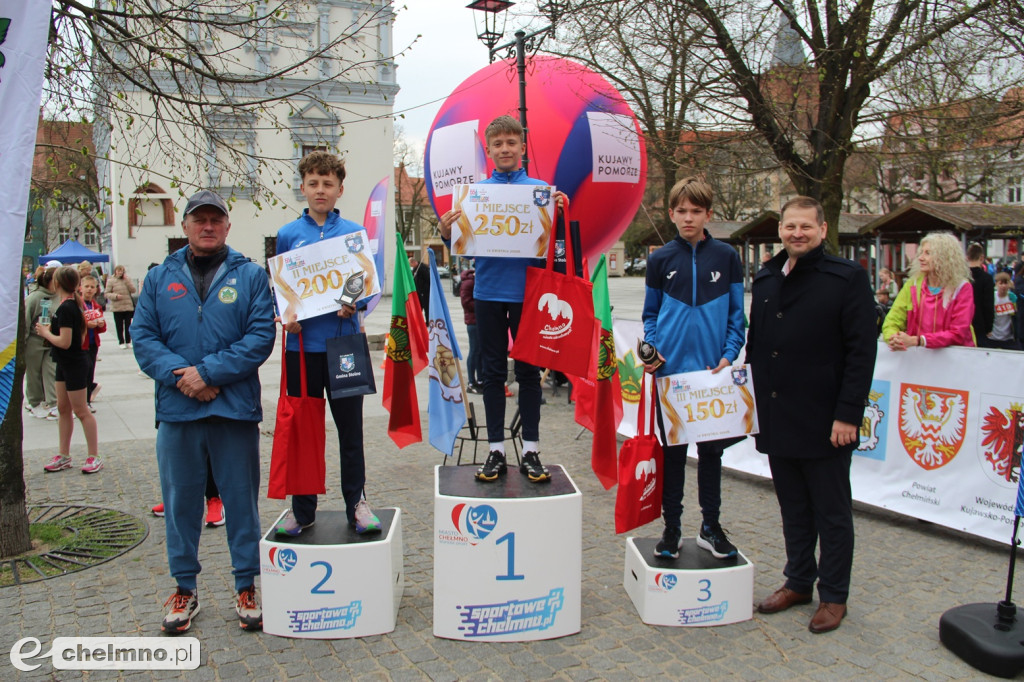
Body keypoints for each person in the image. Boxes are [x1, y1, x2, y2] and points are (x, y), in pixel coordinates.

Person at [132, 189, 275, 634]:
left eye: (216, 219)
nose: (208, 226)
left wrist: (209, 373)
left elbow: (260, 337)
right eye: (199, 219)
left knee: (240, 501)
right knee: (180, 504)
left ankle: (246, 585)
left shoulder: (250, 276)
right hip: (178, 410)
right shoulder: (158, 278)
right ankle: (184, 588)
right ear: (185, 226)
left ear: (228, 226)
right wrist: (185, 376)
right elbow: (144, 338)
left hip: (233, 410)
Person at [747, 196, 877, 634]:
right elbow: (758, 345)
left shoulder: (847, 278)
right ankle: (799, 581)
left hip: (826, 421)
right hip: (777, 415)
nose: (797, 233)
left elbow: (862, 352)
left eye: (805, 226)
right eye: (790, 226)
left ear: (822, 230)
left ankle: (834, 595)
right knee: (794, 509)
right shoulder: (766, 276)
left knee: (832, 513)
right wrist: (750, 405)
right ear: (780, 230)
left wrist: (848, 414)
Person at [437, 115, 568, 483]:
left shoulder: (541, 192)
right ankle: (496, 449)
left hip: (530, 295)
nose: (505, 149)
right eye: (498, 144)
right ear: (489, 150)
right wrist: (446, 231)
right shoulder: (475, 195)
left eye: (512, 142)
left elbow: (557, 245)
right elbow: (461, 244)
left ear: (522, 147)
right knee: (493, 375)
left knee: (528, 375)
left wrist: (562, 211)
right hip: (488, 294)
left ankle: (531, 450)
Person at [273, 150, 382, 538]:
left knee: (351, 432)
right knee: (304, 432)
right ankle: (302, 510)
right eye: (314, 183)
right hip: (302, 349)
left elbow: (368, 285)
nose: (320, 190)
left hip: (344, 344)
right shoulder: (288, 234)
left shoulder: (352, 233)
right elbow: (282, 288)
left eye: (328, 184)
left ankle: (357, 503)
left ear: (339, 190)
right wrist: (286, 315)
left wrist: (356, 303)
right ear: (302, 187)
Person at [641, 176, 745, 560]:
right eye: (682, 211)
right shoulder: (659, 259)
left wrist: (729, 354)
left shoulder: (727, 257)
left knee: (711, 456)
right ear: (671, 213)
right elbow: (650, 315)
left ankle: (710, 527)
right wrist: (654, 351)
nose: (688, 218)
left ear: (708, 214)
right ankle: (671, 529)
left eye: (696, 211)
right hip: (671, 378)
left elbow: (737, 316)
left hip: (711, 375)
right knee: (673, 457)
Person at [34, 266, 103, 474]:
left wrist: (45, 333)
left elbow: (65, 342)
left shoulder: (67, 308)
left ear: (57, 283)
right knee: (63, 409)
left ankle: (94, 456)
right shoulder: (71, 305)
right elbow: (78, 338)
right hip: (64, 363)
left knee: (81, 410)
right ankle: (64, 454)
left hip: (73, 364)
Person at [882, 232, 975, 351]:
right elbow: (892, 321)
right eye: (921, 252)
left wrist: (919, 341)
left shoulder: (961, 287)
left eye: (927, 253)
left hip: (955, 358)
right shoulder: (912, 285)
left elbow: (958, 333)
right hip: (920, 357)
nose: (920, 258)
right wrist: (894, 338)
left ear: (944, 257)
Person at [24, 266, 59, 420]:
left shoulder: (59, 296)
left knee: (51, 371)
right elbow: (25, 321)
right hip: (34, 342)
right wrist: (23, 343)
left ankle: (53, 402)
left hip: (51, 340)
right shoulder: (35, 297)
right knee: (34, 374)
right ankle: (34, 403)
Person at [79, 275, 106, 412]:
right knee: (82, 372)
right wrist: (86, 324)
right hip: (81, 344)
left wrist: (100, 324)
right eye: (86, 286)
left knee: (90, 372)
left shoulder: (96, 306)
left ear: (96, 289)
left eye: (92, 287)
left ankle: (87, 400)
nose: (89, 289)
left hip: (92, 343)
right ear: (80, 288)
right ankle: (81, 401)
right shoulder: (78, 305)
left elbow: (103, 328)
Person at [967, 242, 995, 347]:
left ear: (967, 257)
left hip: (964, 324)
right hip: (980, 324)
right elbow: (988, 305)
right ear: (982, 258)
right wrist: (989, 327)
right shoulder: (987, 278)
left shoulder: (961, 277)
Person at [460, 263, 482, 393]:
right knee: (474, 351)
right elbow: (466, 303)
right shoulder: (468, 283)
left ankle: (480, 380)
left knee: (479, 352)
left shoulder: (476, 281)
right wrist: (482, 304)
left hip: (479, 320)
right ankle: (471, 382)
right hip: (473, 322)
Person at [105, 264, 136, 348]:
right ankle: (121, 342)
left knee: (128, 325)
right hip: (117, 307)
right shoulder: (111, 280)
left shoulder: (127, 279)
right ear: (115, 271)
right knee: (119, 325)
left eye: (122, 271)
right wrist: (115, 296)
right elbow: (107, 293)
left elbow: (133, 290)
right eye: (118, 270)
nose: (120, 272)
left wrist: (127, 281)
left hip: (127, 306)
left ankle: (128, 341)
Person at [987, 272, 1020, 350]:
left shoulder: (1012, 297)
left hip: (1008, 338)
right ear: (996, 284)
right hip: (993, 337)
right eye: (1001, 283)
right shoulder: (992, 296)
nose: (1003, 286)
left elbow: (1016, 315)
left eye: (1006, 283)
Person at [410, 255, 430, 322]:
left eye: (411, 265)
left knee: (426, 307)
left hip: (424, 292)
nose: (411, 266)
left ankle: (428, 321)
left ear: (413, 262)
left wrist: (423, 289)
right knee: (418, 307)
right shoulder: (415, 269)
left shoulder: (422, 268)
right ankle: (418, 321)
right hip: (418, 292)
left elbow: (428, 278)